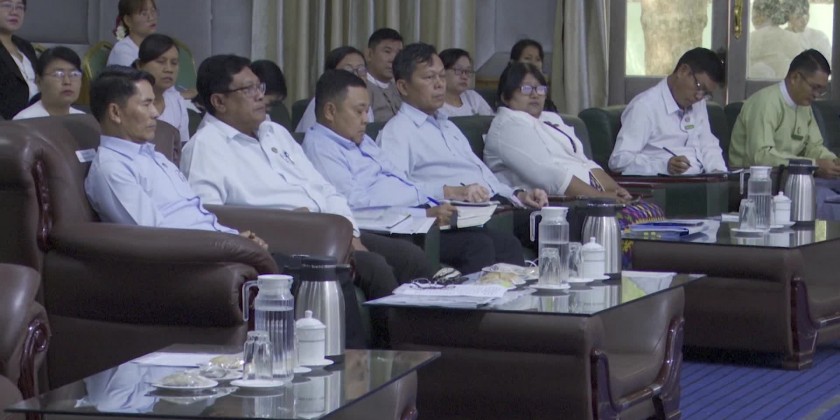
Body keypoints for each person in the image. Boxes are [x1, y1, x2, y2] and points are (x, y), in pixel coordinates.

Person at [182, 55, 434, 345]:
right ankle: (389, 357)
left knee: (410, 257)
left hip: (329, 229)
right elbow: (211, 221)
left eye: (259, 87)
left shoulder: (274, 132)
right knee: (375, 268)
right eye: (248, 89)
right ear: (219, 101)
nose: (260, 95)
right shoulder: (206, 148)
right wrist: (292, 223)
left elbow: (324, 188)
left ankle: (435, 347)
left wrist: (350, 233)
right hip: (287, 243)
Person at [303, 70, 524, 274]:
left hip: (417, 216)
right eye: (359, 111)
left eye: (367, 111)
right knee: (477, 245)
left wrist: (443, 195)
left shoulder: (362, 141)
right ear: (330, 111)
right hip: (392, 226)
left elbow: (403, 182)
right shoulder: (322, 148)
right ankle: (477, 303)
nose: (366, 119)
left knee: (506, 243)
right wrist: (423, 214)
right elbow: (356, 204)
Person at [377, 43, 548, 247]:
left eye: (442, 76)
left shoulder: (448, 126)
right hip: (451, 217)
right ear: (403, 87)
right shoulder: (397, 132)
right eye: (429, 77)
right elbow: (394, 190)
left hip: (491, 207)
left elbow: (484, 177)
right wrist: (450, 192)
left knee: (554, 221)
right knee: (498, 244)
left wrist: (519, 195)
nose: (439, 84)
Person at [485, 62, 631, 203]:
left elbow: (583, 162)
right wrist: (600, 198)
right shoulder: (507, 125)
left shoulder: (550, 118)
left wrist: (616, 190)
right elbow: (550, 176)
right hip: (552, 205)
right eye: (526, 89)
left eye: (540, 89)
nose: (535, 95)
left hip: (588, 200)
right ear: (505, 96)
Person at [608, 47, 729, 176]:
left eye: (706, 93)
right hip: (664, 184)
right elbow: (618, 161)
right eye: (699, 87)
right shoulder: (645, 106)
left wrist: (718, 172)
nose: (699, 96)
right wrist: (663, 165)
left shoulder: (699, 103)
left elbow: (708, 144)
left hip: (700, 181)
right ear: (683, 71)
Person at [730, 49, 840, 175]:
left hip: (789, 177)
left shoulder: (804, 106)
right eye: (814, 87)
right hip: (751, 181)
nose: (816, 95)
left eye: (821, 90)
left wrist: (833, 161)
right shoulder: (765, 103)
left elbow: (814, 147)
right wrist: (813, 165)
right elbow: (761, 156)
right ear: (794, 77)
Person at [295, 46, 373, 133]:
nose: (356, 75)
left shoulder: (364, 103)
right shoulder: (321, 103)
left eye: (361, 69)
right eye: (348, 70)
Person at [134, 34, 189, 143]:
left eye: (174, 63)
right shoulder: (128, 102)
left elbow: (182, 145)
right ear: (140, 65)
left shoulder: (177, 102)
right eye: (160, 61)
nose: (169, 69)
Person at [13, 47, 85, 119]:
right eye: (58, 74)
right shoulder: (25, 120)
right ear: (38, 81)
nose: (67, 82)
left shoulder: (83, 118)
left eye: (74, 74)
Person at [0, 0, 37, 120]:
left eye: (20, 7)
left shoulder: (25, 46)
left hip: (38, 117)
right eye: (7, 5)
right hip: (8, 122)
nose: (14, 12)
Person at [748, 0, 802, 79]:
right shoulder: (793, 38)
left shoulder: (752, 38)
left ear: (761, 15)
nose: (752, 19)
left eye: (754, 15)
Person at [438, 48, 493, 117]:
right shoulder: (434, 105)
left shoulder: (472, 97)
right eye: (458, 70)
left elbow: (493, 120)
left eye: (468, 71)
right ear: (442, 72)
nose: (464, 76)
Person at [365, 28, 403, 122]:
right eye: (387, 51)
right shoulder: (361, 87)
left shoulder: (401, 87)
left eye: (398, 53)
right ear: (369, 54)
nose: (393, 59)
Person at [509, 39, 557, 112]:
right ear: (514, 62)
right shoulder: (508, 81)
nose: (534, 63)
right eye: (527, 58)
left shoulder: (543, 85)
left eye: (538, 59)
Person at [107, 0, 158, 67]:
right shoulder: (122, 51)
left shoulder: (154, 47)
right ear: (128, 20)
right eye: (144, 13)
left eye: (153, 11)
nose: (151, 18)